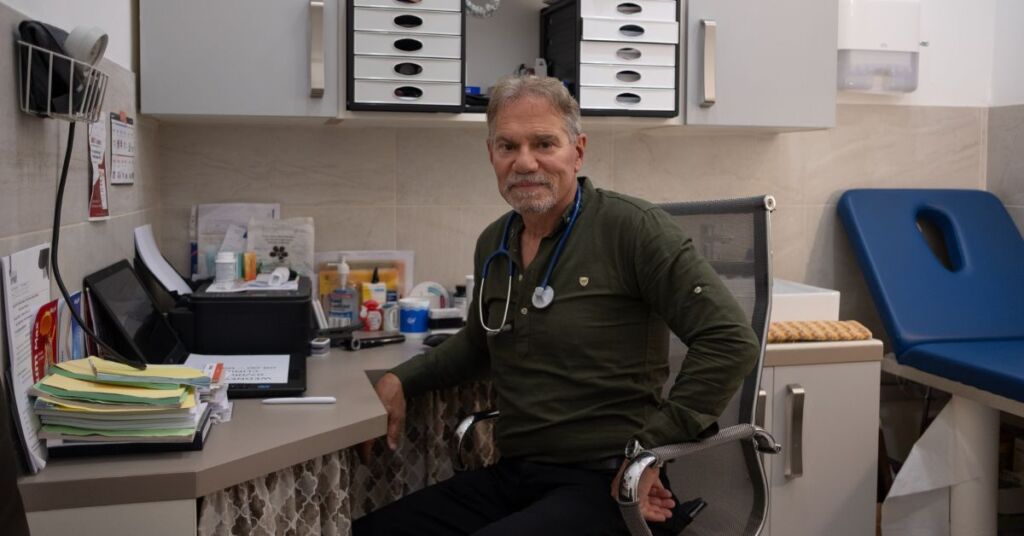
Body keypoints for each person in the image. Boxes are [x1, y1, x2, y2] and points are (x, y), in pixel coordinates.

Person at [353, 76, 759, 536]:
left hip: (608, 482)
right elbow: (475, 346)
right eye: (508, 146)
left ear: (578, 150)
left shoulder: (635, 229)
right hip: (516, 474)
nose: (525, 161)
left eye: (544, 143)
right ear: (492, 156)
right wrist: (399, 379)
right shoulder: (495, 242)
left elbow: (729, 341)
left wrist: (648, 453)